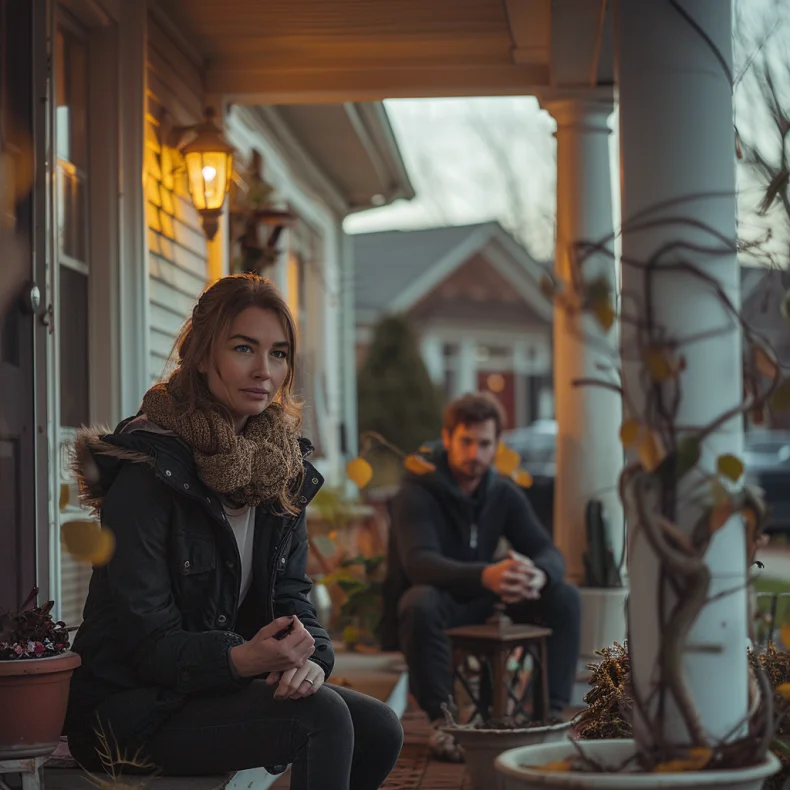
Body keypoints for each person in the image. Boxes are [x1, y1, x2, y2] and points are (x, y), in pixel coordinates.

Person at [65, 274, 403, 790]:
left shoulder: (278, 470)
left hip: (215, 688)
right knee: (321, 719)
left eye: (278, 353)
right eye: (244, 348)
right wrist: (239, 659)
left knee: (379, 727)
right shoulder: (148, 474)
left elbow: (291, 596)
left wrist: (311, 657)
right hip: (130, 711)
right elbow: (145, 644)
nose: (264, 370)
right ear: (202, 356)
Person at [380, 393, 580, 762]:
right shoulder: (417, 490)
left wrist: (538, 575)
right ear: (448, 438)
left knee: (564, 596)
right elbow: (419, 564)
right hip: (441, 602)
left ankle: (552, 716)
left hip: (487, 601)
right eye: (466, 441)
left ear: (497, 444)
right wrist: (486, 575)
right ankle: (444, 722)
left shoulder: (501, 491)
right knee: (419, 601)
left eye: (485, 443)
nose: (475, 453)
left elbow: (547, 551)